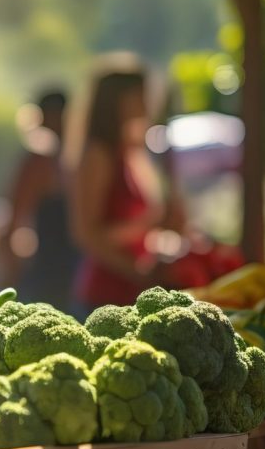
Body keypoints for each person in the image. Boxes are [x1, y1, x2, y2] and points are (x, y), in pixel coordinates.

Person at [69, 54, 182, 310]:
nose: (147, 102)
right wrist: (137, 271)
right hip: (105, 295)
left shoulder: (133, 151)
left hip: (137, 291)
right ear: (117, 101)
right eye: (139, 94)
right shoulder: (98, 155)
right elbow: (86, 233)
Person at [1, 87, 80, 311]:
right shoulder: (42, 161)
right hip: (51, 273)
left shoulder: (70, 160)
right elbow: (13, 222)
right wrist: (11, 274)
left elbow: (12, 223)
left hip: (65, 274)